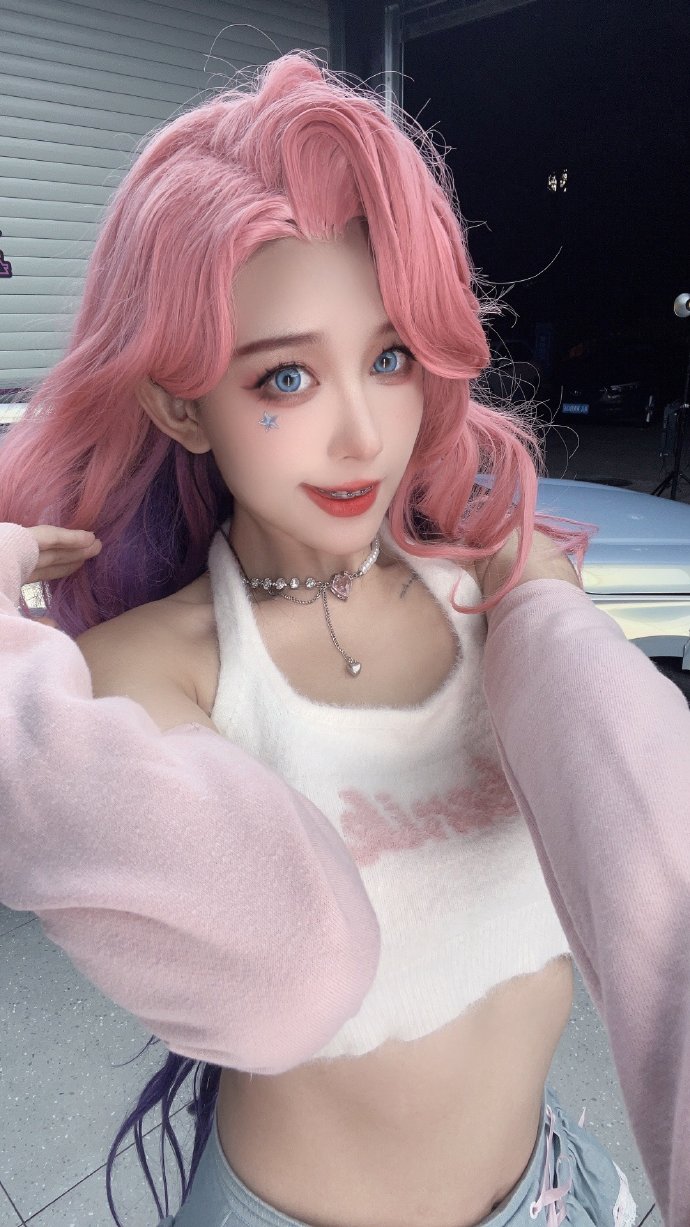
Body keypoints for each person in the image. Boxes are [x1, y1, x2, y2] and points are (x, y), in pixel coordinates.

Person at [0, 52, 688, 1227]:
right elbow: (284, 965)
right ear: (179, 403)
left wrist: (543, 610)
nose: (364, 433)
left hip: (556, 1196)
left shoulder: (501, 597)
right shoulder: (157, 671)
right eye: (286, 377)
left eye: (390, 357)